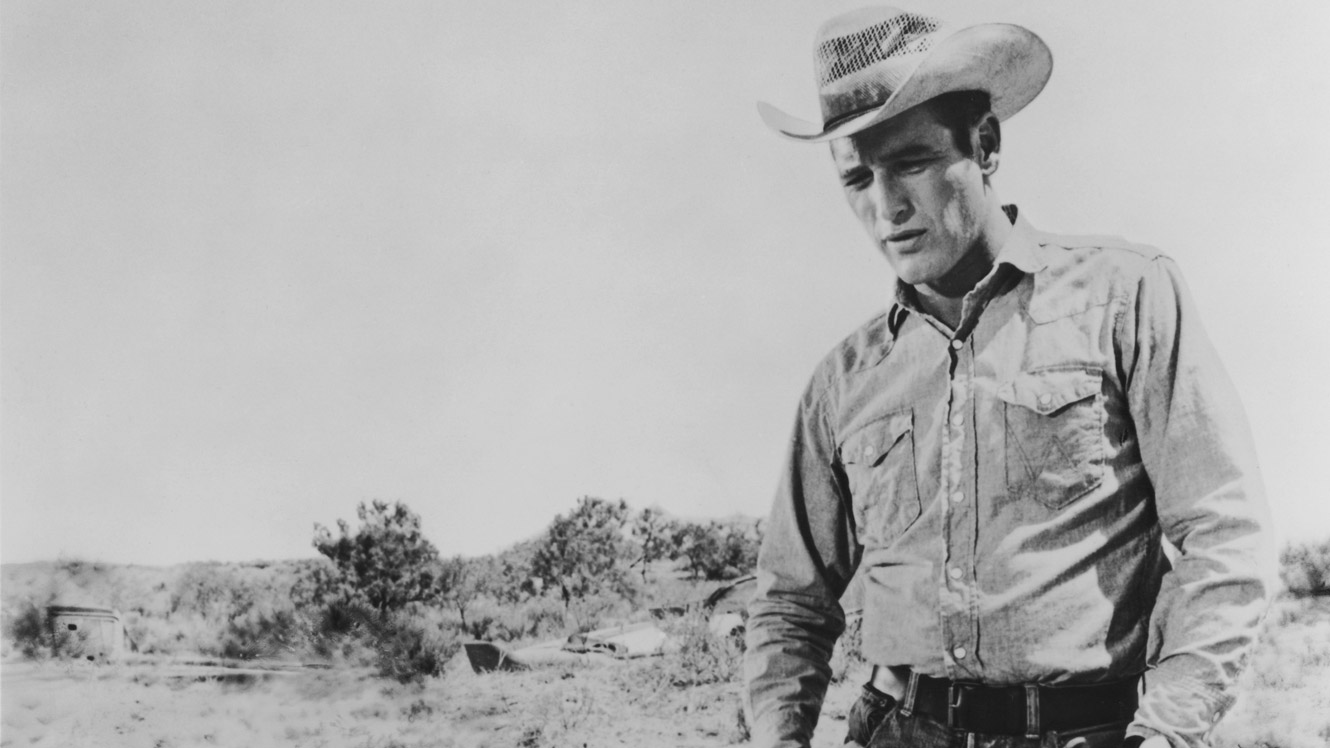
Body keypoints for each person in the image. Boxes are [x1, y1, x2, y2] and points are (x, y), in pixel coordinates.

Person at [743, 7, 1276, 748]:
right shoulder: (844, 380)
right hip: (895, 729)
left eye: (912, 163)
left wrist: (1166, 731)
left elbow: (1225, 536)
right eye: (857, 177)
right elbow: (790, 605)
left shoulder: (1122, 297)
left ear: (986, 145)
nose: (885, 205)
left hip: (1087, 730)